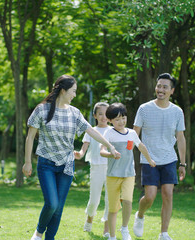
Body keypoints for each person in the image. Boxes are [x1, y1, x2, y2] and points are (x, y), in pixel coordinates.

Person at [22, 75, 121, 240]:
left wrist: (110, 145)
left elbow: (91, 131)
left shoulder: (74, 113)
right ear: (63, 90)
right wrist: (27, 162)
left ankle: (49, 238)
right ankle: (39, 233)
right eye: (73, 91)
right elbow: (30, 137)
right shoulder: (42, 109)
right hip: (46, 163)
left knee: (59, 207)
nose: (75, 95)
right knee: (52, 203)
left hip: (66, 165)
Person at [132, 73, 186, 240]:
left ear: (172, 91)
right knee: (149, 197)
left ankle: (164, 233)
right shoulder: (144, 109)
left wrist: (182, 164)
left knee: (168, 194)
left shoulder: (177, 111)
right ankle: (140, 215)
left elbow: (180, 137)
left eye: (165, 87)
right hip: (149, 159)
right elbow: (134, 135)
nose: (160, 90)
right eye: (159, 86)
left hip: (169, 158)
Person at [100, 103, 156, 240]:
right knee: (113, 209)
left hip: (128, 174)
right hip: (112, 176)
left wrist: (150, 160)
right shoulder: (109, 133)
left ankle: (124, 228)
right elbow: (102, 151)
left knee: (127, 201)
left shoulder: (131, 133)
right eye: (117, 119)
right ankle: (112, 236)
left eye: (123, 118)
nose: (121, 121)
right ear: (110, 120)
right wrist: (111, 154)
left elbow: (141, 146)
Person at [74, 102, 111, 237]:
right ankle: (89, 218)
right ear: (95, 115)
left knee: (109, 199)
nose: (103, 117)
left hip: (111, 169)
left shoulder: (113, 130)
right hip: (96, 167)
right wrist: (79, 154)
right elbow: (84, 148)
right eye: (100, 114)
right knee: (94, 199)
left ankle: (107, 228)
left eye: (106, 114)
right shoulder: (91, 130)